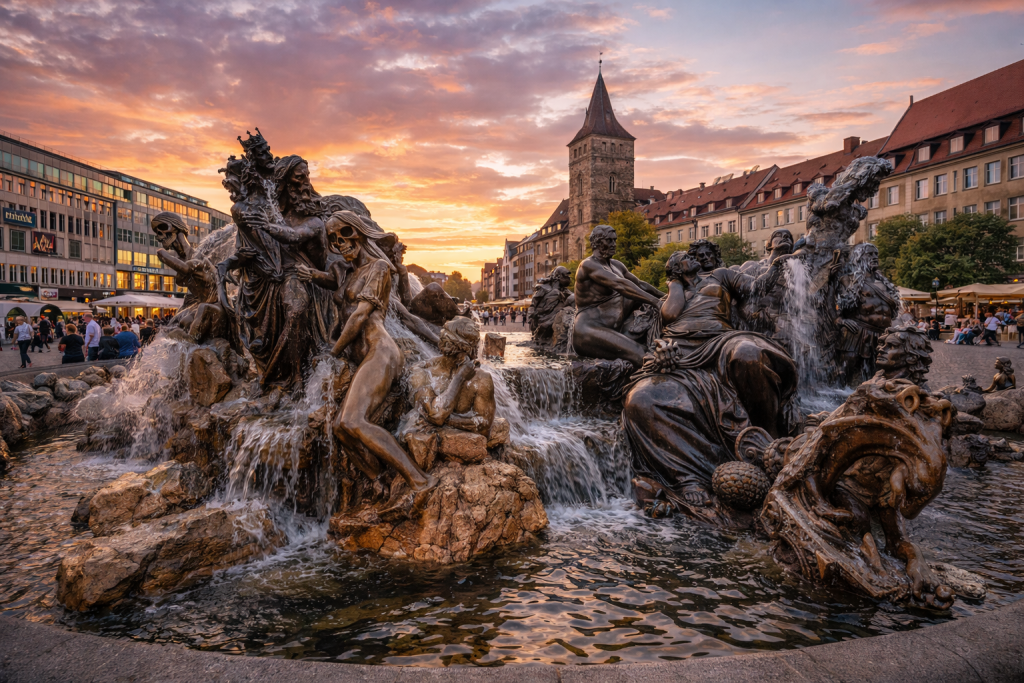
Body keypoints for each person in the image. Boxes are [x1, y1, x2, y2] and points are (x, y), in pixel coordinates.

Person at [298, 210, 437, 514]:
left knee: (353, 421)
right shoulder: (348, 272)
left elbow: (360, 315)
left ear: (358, 232)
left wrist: (333, 353)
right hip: (364, 356)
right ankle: (379, 479)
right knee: (340, 427)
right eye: (332, 240)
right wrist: (310, 275)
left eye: (344, 234)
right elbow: (334, 288)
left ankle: (420, 480)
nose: (340, 244)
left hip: (381, 352)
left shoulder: (379, 268)